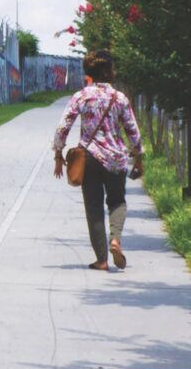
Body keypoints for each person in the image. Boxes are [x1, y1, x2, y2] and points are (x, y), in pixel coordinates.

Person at [53, 49, 143, 270]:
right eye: (112, 68)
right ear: (105, 70)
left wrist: (58, 153)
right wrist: (138, 156)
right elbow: (132, 129)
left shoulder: (82, 96)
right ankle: (115, 240)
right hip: (116, 159)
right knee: (117, 202)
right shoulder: (119, 97)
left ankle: (102, 260)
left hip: (90, 158)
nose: (114, 71)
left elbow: (63, 126)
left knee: (93, 208)